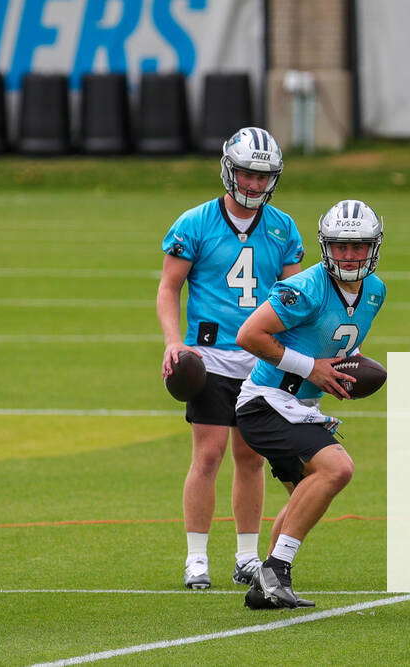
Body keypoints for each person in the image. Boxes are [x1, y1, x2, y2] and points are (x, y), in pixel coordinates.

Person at [157, 127, 305, 589]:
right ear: (229, 169)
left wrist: (296, 354)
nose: (256, 184)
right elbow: (169, 287)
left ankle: (246, 555)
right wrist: (172, 341)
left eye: (264, 176)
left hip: (261, 359)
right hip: (210, 354)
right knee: (208, 454)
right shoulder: (195, 222)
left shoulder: (283, 226)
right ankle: (196, 557)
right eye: (247, 173)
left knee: (252, 455)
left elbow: (296, 298)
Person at [235, 199, 386, 609]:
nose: (350, 255)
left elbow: (336, 349)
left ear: (374, 246)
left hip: (300, 404)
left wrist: (335, 376)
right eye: (341, 246)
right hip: (266, 401)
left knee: (304, 494)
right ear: (326, 246)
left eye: (358, 246)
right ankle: (276, 570)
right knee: (337, 468)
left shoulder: (375, 291)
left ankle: (264, 587)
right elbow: (250, 335)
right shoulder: (305, 287)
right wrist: (311, 368)